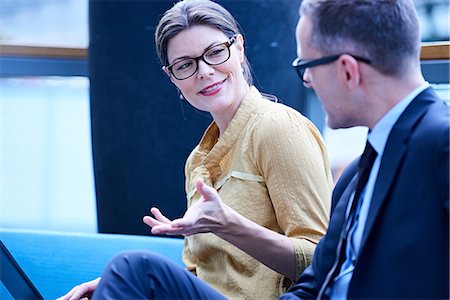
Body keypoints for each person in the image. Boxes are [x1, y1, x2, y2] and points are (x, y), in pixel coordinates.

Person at [58, 0, 333, 299]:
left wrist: (229, 225)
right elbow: (207, 273)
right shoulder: (198, 161)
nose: (203, 71)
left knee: (133, 265)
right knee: (124, 276)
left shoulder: (277, 126)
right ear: (172, 78)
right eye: (185, 65)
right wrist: (120, 285)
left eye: (215, 52)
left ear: (239, 48)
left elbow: (321, 262)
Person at [280, 0, 449, 299]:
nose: (307, 81)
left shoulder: (440, 143)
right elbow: (314, 287)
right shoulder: (359, 171)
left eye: (306, 66)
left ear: (347, 71)